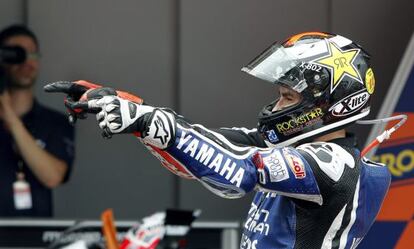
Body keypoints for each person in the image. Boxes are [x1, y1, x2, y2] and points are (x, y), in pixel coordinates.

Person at [46, 32, 391, 248]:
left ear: (324, 104)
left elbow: (239, 172)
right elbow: (204, 147)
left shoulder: (336, 165)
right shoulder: (289, 147)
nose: (275, 106)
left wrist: (149, 122)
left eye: (287, 96)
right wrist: (131, 111)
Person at [0, 25, 75, 217]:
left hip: (35, 238)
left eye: (32, 54)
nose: (27, 61)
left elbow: (53, 177)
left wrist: (12, 120)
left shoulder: (56, 122)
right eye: (17, 54)